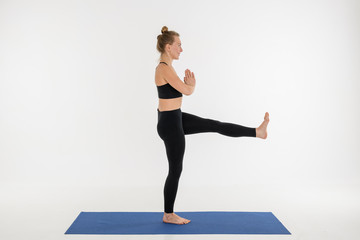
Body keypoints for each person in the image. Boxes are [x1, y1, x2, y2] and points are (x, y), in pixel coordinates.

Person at [155, 26, 270, 225]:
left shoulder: (168, 66)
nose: (181, 49)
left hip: (175, 118)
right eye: (179, 45)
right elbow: (187, 91)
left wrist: (188, 86)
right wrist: (192, 85)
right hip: (170, 124)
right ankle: (168, 214)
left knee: (214, 124)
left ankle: (257, 132)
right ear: (168, 47)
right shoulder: (163, 68)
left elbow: (181, 92)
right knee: (175, 169)